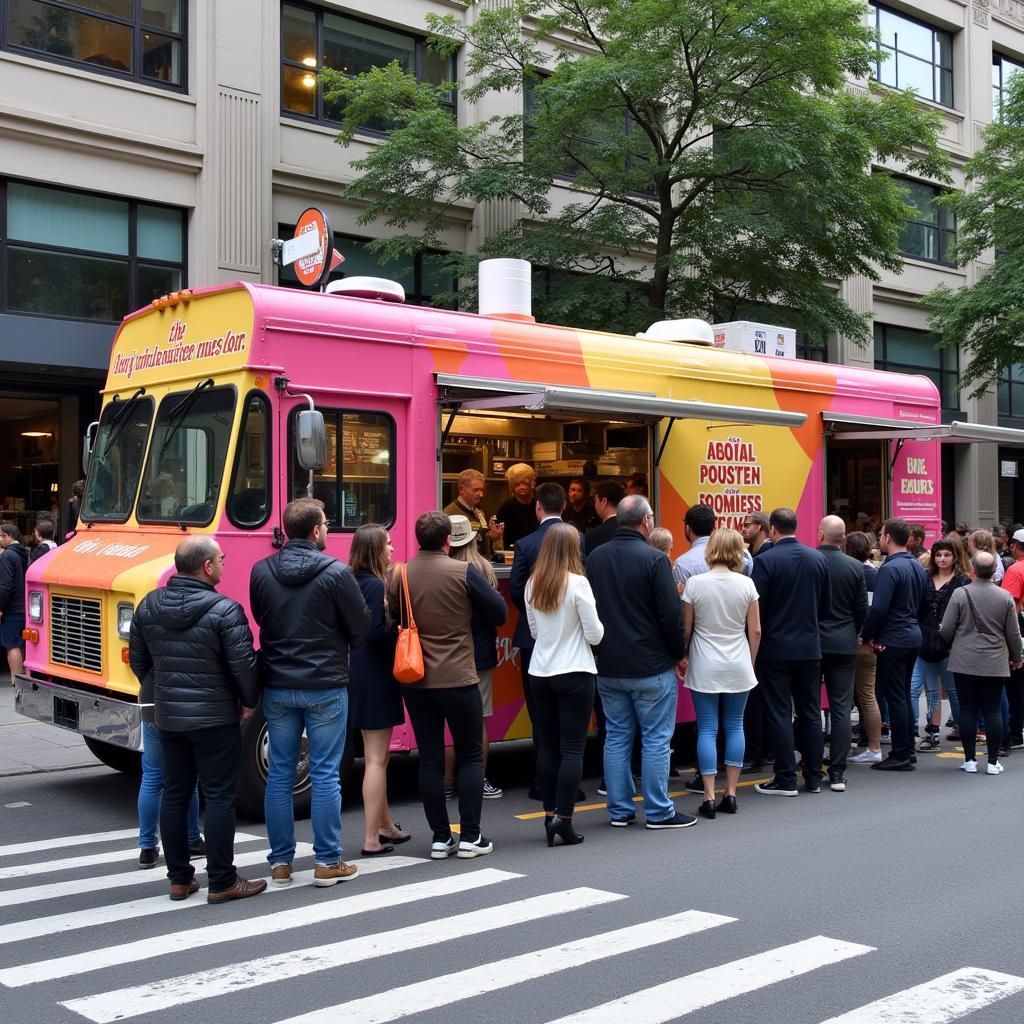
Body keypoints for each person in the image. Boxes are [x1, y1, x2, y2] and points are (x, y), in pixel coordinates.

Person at [128, 536, 263, 904]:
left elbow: (139, 663)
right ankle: (221, 879)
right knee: (219, 796)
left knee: (175, 793)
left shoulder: (149, 606)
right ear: (207, 566)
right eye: (221, 558)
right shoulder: (225, 610)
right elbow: (244, 667)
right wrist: (248, 702)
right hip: (216, 717)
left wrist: (167, 690)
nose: (223, 563)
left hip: (169, 717)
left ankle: (179, 878)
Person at [250, 498, 370, 887]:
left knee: (280, 774)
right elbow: (359, 628)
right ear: (316, 531)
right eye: (326, 525)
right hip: (325, 683)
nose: (328, 530)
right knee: (325, 774)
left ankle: (280, 862)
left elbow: (260, 616)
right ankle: (327, 860)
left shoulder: (262, 571)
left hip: (278, 684)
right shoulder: (336, 573)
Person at [393, 511, 507, 859]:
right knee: (471, 754)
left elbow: (392, 618)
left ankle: (440, 838)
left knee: (429, 757)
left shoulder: (401, 574)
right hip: (458, 676)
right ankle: (471, 836)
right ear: (448, 541)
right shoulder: (462, 571)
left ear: (417, 540)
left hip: (416, 679)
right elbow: (499, 612)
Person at [586, 495, 693, 828]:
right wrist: (679, 654)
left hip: (608, 663)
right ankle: (659, 811)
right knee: (656, 739)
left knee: (616, 736)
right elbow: (670, 614)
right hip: (650, 664)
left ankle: (619, 810)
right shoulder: (654, 559)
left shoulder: (596, 558)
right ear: (646, 521)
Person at [526, 522, 604, 846]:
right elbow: (596, 633)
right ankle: (564, 818)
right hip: (575, 670)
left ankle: (548, 816)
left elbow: (533, 632)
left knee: (547, 745)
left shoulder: (533, 583)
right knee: (573, 748)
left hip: (540, 671)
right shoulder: (578, 584)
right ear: (573, 549)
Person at [750, 508, 830, 796]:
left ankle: (784, 777)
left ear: (772, 529)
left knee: (779, 712)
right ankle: (812, 776)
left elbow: (758, 609)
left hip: (776, 648)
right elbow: (825, 605)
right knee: (810, 712)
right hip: (810, 646)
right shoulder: (817, 558)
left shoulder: (765, 561)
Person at [681, 528, 760, 818]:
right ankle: (731, 793)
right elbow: (755, 629)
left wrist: (683, 656)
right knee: (735, 725)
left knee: (707, 728)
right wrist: (749, 660)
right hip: (738, 660)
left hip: (704, 662)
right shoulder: (747, 585)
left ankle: (709, 795)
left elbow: (687, 630)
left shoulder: (694, 584)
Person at [510, 483, 577, 802]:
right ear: (564, 505)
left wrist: (539, 612)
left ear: (538, 507)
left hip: (534, 637)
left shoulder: (525, 543)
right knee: (570, 715)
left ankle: (542, 781)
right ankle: (569, 783)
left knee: (541, 715)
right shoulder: (578, 538)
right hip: (573, 638)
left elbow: (517, 591)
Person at [348, 523, 410, 856]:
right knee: (375, 758)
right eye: (387, 544)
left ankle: (386, 826)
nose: (392, 549)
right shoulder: (375, 586)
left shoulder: (348, 580)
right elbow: (375, 634)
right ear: (374, 549)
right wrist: (398, 629)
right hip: (375, 674)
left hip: (357, 671)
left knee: (380, 757)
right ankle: (372, 838)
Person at [940, 551, 1023, 774]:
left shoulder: (960, 593)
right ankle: (994, 761)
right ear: (994, 570)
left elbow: (946, 628)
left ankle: (969, 760)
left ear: (972, 570)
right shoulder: (1004, 596)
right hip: (995, 660)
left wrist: (953, 641)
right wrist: (1017, 657)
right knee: (993, 709)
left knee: (967, 708)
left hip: (964, 659)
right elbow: (1013, 634)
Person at [446, 515, 508, 800]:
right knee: (478, 718)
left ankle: (447, 781)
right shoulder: (482, 568)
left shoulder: (441, 568)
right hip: (478, 650)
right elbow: (496, 613)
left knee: (449, 718)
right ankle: (479, 779)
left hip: (446, 653)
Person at [860, 518, 929, 772]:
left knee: (895, 695)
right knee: (901, 694)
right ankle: (907, 750)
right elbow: (924, 605)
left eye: (880, 534)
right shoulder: (917, 567)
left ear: (888, 537)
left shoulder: (889, 569)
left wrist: (869, 635)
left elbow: (878, 608)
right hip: (912, 634)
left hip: (894, 637)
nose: (879, 539)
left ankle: (901, 753)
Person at [815, 516, 868, 792]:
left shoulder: (810, 562)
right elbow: (861, 610)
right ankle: (837, 772)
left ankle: (812, 770)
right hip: (844, 642)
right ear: (844, 539)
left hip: (813, 643)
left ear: (820, 534)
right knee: (841, 708)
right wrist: (853, 632)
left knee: (810, 708)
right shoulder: (855, 567)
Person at [911, 539, 969, 752]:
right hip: (924, 641)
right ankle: (928, 732)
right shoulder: (924, 579)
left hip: (951, 645)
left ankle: (965, 730)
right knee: (923, 690)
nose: (942, 559)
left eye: (946, 554)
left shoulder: (963, 582)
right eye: (938, 555)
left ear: (955, 556)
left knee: (953, 691)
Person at [137, 719, 203, 869]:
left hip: (151, 709)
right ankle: (192, 838)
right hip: (181, 713)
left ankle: (147, 848)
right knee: (187, 775)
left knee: (152, 777)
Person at [846, 531, 883, 764]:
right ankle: (875, 746)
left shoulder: (848, 571)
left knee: (840, 699)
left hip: (847, 641)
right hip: (868, 644)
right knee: (868, 696)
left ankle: (840, 746)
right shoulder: (877, 575)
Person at [673, 504, 752, 591]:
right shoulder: (740, 555)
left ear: (688, 529)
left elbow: (682, 600)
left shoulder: (682, 564)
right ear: (714, 527)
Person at [443, 469, 504, 560]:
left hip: (480, 564)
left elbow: (479, 542)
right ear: (462, 489)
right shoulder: (450, 515)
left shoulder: (478, 512)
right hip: (462, 567)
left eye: (481, 490)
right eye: (476, 490)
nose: (481, 494)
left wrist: (491, 536)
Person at [1000, 527, 1024, 749]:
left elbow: (1010, 605)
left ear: (1015, 546)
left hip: (1021, 632)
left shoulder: (1016, 570)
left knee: (1015, 684)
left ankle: (1016, 733)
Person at [0, 523, 29, 687]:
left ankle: (15, 679)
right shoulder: (24, 552)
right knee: (21, 643)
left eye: (0, 536)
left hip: (12, 607)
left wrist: (0, 606)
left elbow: (4, 585)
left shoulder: (7, 556)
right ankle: (22, 676)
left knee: (11, 645)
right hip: (24, 606)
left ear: (8, 536)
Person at [496, 463, 538, 549]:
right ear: (512, 487)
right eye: (517, 484)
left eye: (524, 483)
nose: (521, 487)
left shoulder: (539, 505)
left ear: (532, 483)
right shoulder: (506, 508)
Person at [583, 481, 625, 555]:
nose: (595, 506)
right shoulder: (633, 530)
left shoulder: (593, 535)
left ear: (604, 501)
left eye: (596, 501)